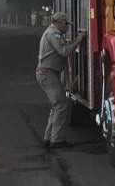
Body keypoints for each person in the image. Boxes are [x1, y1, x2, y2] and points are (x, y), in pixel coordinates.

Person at [35, 11, 86, 149]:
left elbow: (63, 45)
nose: (67, 27)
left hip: (48, 73)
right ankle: (57, 140)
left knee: (57, 105)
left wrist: (73, 40)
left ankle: (48, 138)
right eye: (66, 24)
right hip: (47, 74)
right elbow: (63, 51)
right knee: (61, 104)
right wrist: (79, 40)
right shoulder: (53, 34)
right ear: (58, 23)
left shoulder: (54, 33)